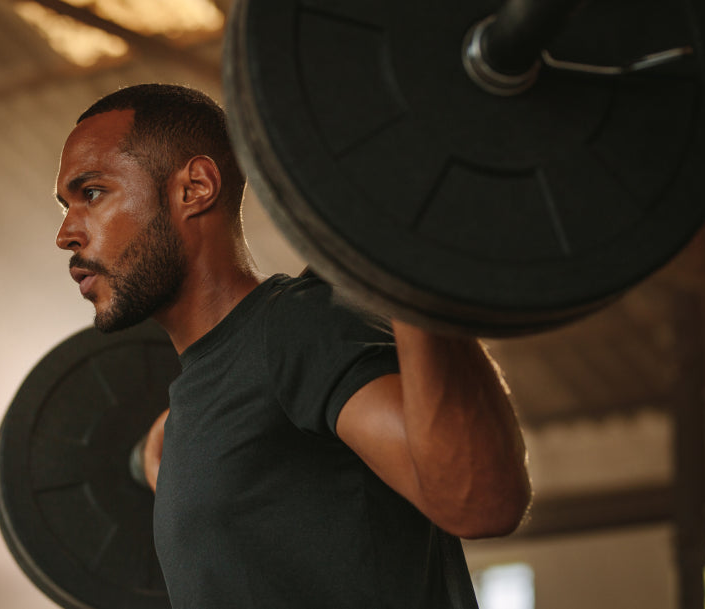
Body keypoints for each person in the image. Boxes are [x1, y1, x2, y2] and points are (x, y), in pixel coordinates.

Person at [54, 83, 531, 609]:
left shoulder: (299, 328)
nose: (66, 234)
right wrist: (160, 444)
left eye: (92, 193)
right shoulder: (200, 396)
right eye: (65, 206)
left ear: (195, 188)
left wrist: (408, 255)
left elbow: (480, 501)